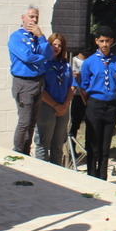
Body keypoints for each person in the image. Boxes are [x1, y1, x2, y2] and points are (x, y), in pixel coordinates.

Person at [8, 5, 52, 155]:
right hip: (24, 83)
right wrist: (43, 58)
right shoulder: (16, 37)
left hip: (38, 81)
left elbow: (49, 54)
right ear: (23, 18)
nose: (34, 20)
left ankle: (26, 151)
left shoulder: (37, 37)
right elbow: (27, 57)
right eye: (31, 16)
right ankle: (17, 151)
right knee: (24, 121)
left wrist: (41, 37)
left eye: (36, 17)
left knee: (32, 121)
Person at [81, 26, 116, 180]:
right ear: (96, 41)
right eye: (101, 41)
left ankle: (103, 178)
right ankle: (91, 177)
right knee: (93, 145)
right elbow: (84, 86)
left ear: (111, 41)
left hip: (110, 105)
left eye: (107, 41)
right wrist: (90, 103)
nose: (104, 44)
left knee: (105, 147)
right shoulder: (89, 62)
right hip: (94, 104)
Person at [33, 33, 75, 166]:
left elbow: (72, 85)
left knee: (58, 144)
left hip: (63, 107)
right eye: (53, 45)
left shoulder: (65, 64)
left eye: (59, 45)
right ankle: (42, 173)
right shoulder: (43, 63)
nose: (56, 48)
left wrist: (65, 105)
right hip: (47, 106)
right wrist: (56, 105)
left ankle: (57, 173)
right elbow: (41, 89)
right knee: (43, 143)